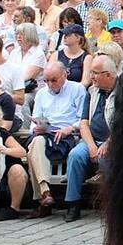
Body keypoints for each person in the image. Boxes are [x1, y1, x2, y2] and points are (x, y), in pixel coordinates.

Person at [25, 61, 86, 218]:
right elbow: (35, 120)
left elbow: (83, 118)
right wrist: (38, 127)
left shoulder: (77, 89)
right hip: (45, 134)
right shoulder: (41, 93)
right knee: (36, 141)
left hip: (67, 136)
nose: (50, 84)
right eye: (46, 80)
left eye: (54, 80)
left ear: (64, 75)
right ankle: (45, 192)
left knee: (34, 148)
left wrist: (70, 128)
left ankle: (43, 197)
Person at [64, 54, 115, 222]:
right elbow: (84, 123)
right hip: (92, 140)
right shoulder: (91, 92)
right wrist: (91, 146)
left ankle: (111, 205)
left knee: (107, 160)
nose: (91, 77)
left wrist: (107, 144)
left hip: (114, 141)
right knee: (75, 156)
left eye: (95, 73)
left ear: (108, 75)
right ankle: (73, 203)